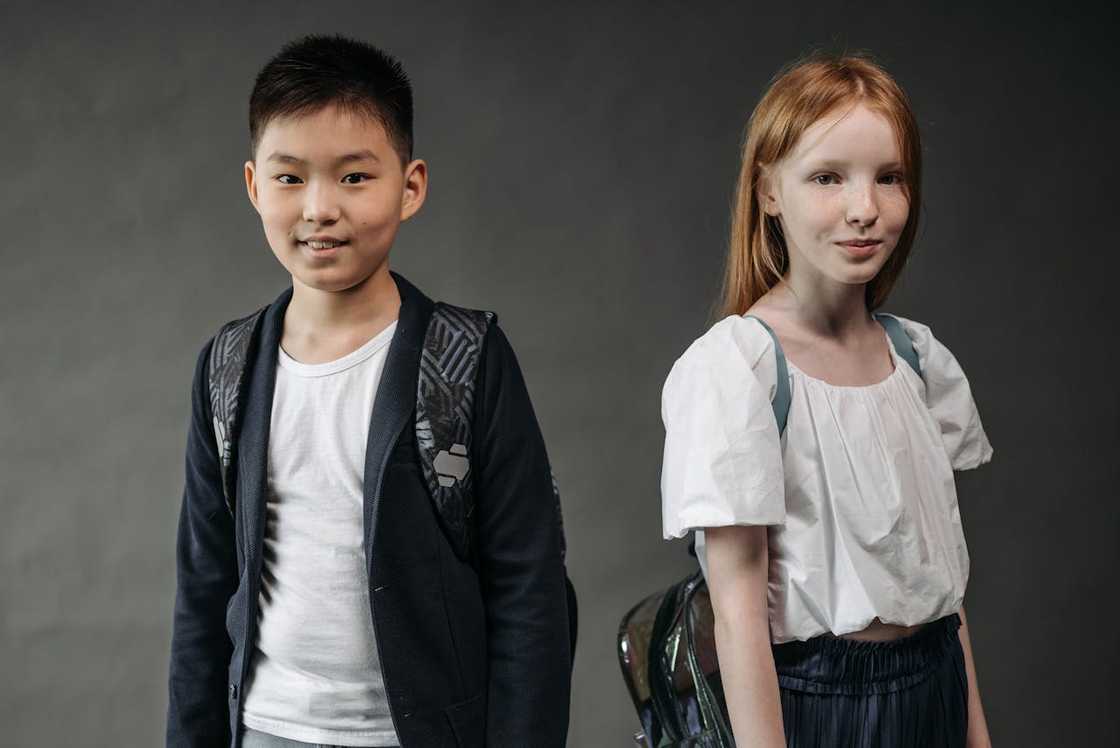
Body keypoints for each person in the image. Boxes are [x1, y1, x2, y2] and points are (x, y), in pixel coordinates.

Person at [166, 35, 571, 748]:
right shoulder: (228, 366)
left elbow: (529, 591)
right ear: (255, 186)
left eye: (354, 177)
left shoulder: (466, 359)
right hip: (266, 729)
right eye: (290, 178)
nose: (320, 208)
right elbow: (204, 592)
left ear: (410, 187)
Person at [660, 53, 994, 747]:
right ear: (769, 191)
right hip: (818, 711)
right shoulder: (740, 370)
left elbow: (944, 594)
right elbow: (738, 622)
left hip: (934, 691)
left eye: (889, 177)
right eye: (827, 178)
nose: (865, 209)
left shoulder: (918, 361)